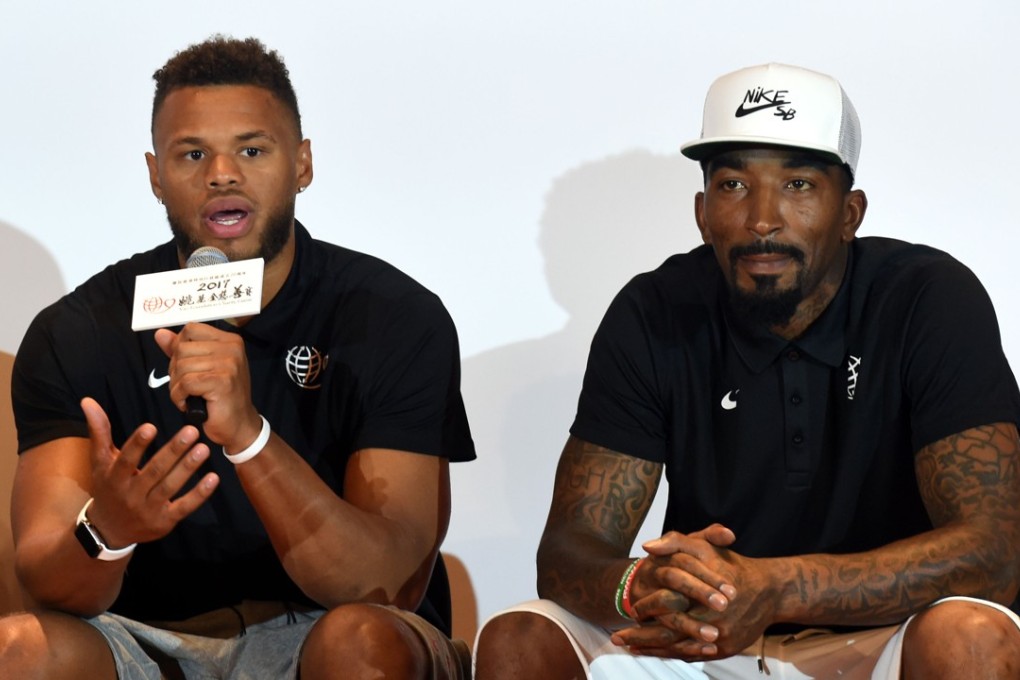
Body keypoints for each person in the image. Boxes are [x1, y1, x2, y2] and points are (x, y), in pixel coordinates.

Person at [473, 63, 1020, 679]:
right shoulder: (654, 311)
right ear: (703, 212)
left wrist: (779, 586)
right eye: (734, 184)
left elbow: (994, 552)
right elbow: (569, 552)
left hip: (877, 645)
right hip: (708, 638)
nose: (763, 218)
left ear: (850, 212)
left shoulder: (928, 298)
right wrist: (644, 583)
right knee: (521, 636)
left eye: (799, 185)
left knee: (969, 634)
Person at [1, 35, 475, 680]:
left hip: (324, 628)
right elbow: (48, 585)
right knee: (22, 652)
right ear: (155, 175)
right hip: (146, 634)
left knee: (361, 643)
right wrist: (106, 530)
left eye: (252, 150)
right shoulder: (78, 331)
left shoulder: (392, 316)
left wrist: (251, 438)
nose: (222, 172)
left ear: (302, 163)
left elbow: (384, 584)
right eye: (192, 154)